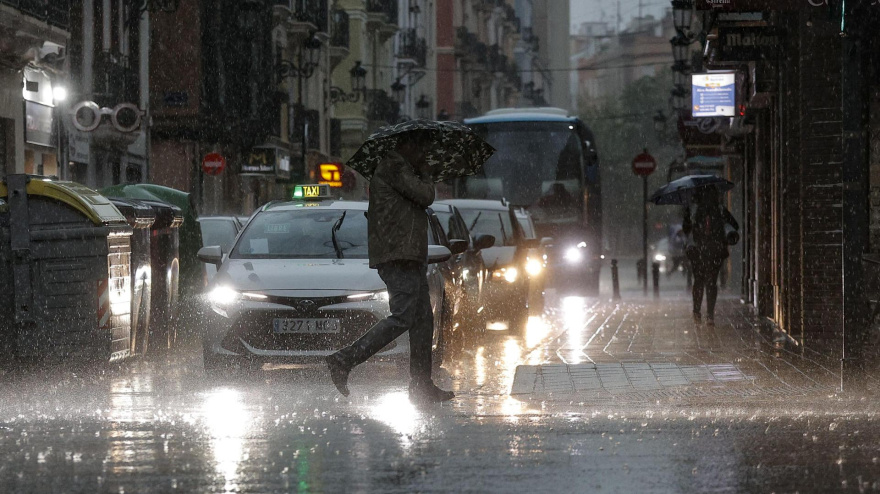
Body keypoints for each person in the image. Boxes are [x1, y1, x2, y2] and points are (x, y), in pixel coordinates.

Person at [325, 130, 455, 403]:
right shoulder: (396, 167)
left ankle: (421, 386)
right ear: (407, 146)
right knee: (403, 317)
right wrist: (427, 174)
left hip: (408, 254)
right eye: (422, 150)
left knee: (422, 320)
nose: (424, 156)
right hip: (398, 255)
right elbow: (425, 195)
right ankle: (344, 359)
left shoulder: (401, 168)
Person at [682, 187, 738, 326]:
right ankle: (710, 315)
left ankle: (697, 312)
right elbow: (734, 225)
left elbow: (686, 229)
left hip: (698, 251)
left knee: (699, 280)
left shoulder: (694, 210)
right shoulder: (719, 209)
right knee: (711, 282)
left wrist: (688, 216)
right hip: (714, 251)